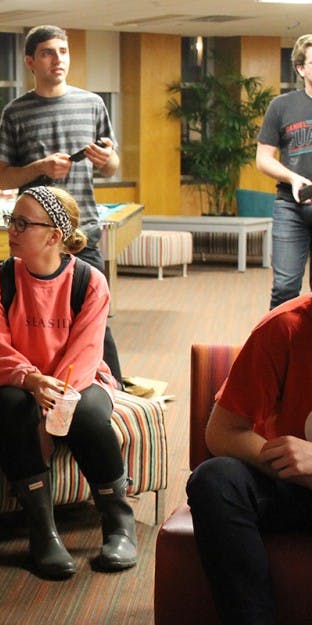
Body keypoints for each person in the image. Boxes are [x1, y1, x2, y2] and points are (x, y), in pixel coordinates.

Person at [0, 186, 135, 580]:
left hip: (75, 382)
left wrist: (58, 396)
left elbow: (86, 352)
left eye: (23, 223)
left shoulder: (90, 281)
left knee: (90, 413)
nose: (12, 229)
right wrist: (32, 380)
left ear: (54, 235)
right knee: (13, 407)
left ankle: (118, 522)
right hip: (14, 383)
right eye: (11, 220)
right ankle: (42, 530)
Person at [0, 25, 124, 383]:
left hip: (83, 232)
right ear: (30, 61)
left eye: (63, 52)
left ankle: (114, 390)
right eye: (49, 53)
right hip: (36, 236)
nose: (58, 60)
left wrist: (106, 158)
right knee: (37, 320)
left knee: (96, 318)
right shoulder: (15, 112)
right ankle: (41, 383)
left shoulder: (92, 103)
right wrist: (40, 168)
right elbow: (3, 178)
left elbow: (113, 168)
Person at [185, 294, 312, 625]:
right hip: (285, 485)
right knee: (214, 480)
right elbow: (222, 431)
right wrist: (290, 466)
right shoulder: (285, 327)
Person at [255, 34, 312, 309]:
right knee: (285, 287)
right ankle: (275, 351)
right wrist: (292, 177)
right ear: (301, 69)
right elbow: (263, 159)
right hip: (291, 207)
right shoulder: (282, 106)